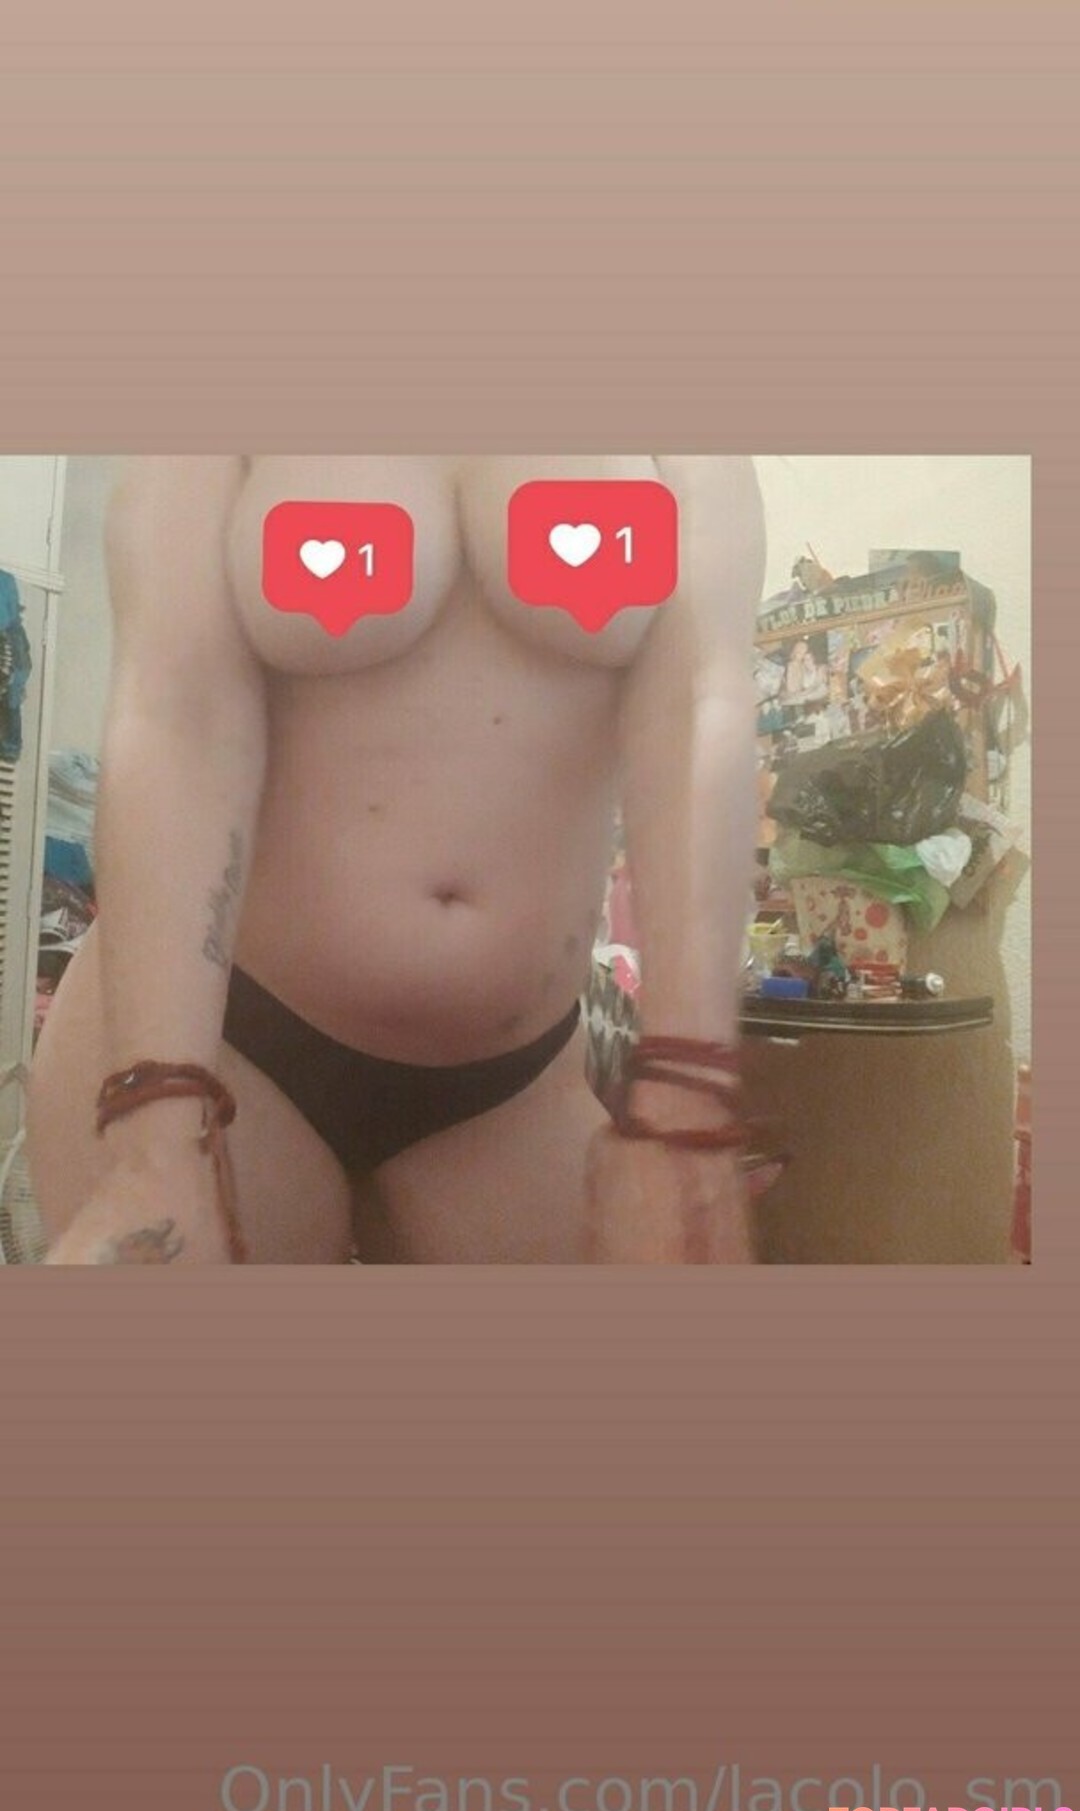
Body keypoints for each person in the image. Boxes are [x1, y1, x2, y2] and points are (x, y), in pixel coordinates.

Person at [27, 455, 766, 1265]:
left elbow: (699, 709)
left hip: (514, 1088)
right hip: (223, 1040)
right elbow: (179, 712)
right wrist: (158, 1133)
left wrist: (690, 1100)